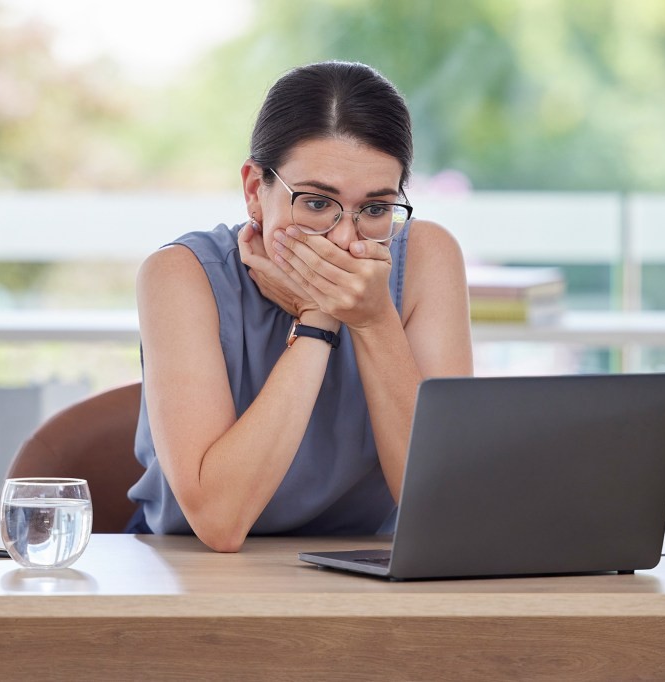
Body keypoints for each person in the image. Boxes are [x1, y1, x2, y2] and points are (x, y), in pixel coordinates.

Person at [127, 60, 473, 551]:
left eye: (375, 209)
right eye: (315, 203)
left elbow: (448, 510)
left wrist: (373, 320)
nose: (344, 238)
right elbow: (220, 522)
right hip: (189, 570)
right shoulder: (180, 275)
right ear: (254, 190)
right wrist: (318, 322)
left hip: (368, 570)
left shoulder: (424, 259)